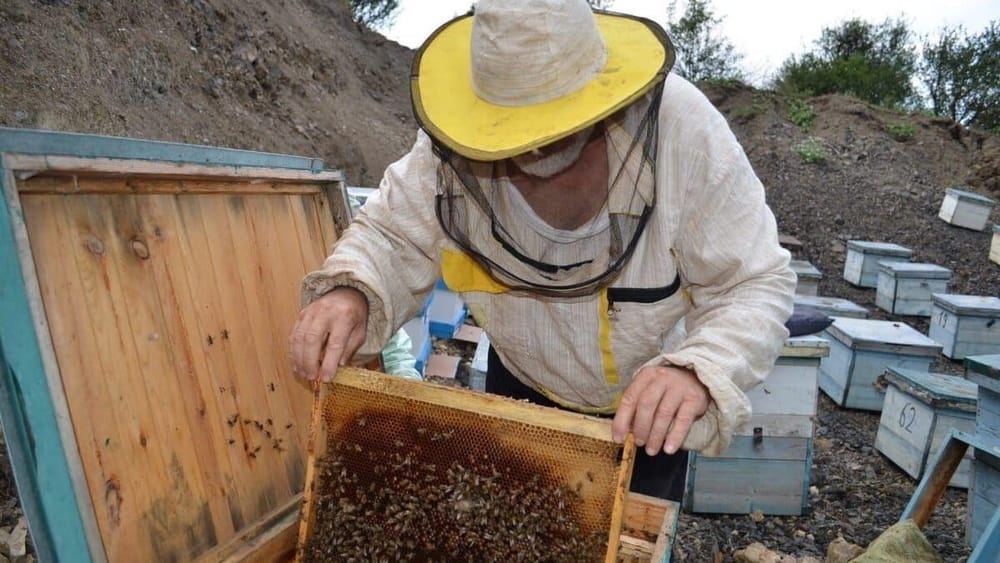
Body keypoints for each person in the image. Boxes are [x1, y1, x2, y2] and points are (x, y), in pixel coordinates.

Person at [288, 0, 795, 501]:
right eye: (514, 132)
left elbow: (753, 282)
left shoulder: (685, 133)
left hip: (648, 408)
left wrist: (699, 368)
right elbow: (393, 235)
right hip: (520, 386)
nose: (532, 148)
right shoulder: (452, 144)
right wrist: (353, 291)